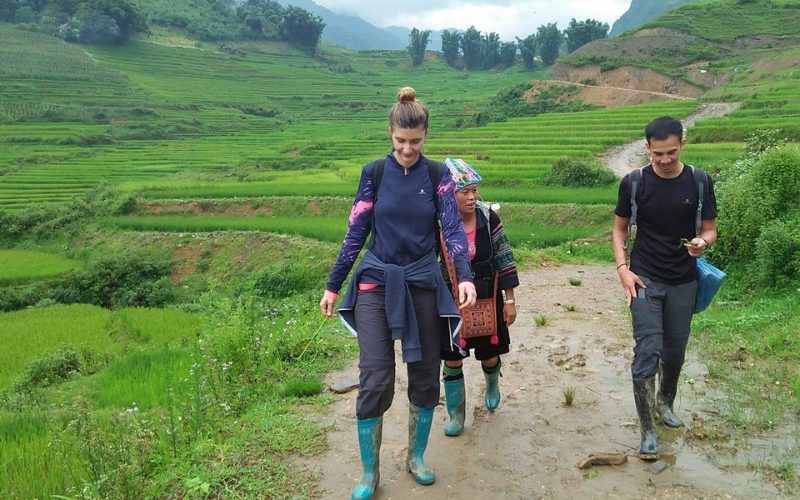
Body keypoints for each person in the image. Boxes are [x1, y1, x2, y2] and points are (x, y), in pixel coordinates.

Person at [319, 87, 477, 499]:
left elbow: (452, 229)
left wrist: (463, 276)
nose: (408, 149)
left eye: (416, 142)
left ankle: (415, 457)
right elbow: (356, 232)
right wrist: (333, 284)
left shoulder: (438, 176)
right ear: (390, 134)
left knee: (425, 375)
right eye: (401, 141)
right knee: (376, 376)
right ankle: (369, 474)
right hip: (376, 281)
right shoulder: (374, 174)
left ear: (426, 136)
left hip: (422, 280)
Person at [611, 116, 717, 458]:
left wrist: (702, 242)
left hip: (684, 280)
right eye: (658, 154)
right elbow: (620, 230)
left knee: (675, 350)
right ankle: (647, 429)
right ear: (648, 148)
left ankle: (665, 402)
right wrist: (623, 269)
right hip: (644, 277)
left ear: (682, 144)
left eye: (671, 152)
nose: (665, 159)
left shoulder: (699, 181)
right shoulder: (634, 183)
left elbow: (710, 228)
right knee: (647, 350)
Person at [439, 158, 520, 437]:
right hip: (451, 300)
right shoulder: (439, 223)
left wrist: (509, 301)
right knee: (452, 358)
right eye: (465, 192)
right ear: (450, 194)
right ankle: (456, 415)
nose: (472, 197)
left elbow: (504, 257)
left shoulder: (488, 218)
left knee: (490, 354)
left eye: (474, 190)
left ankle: (492, 384)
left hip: (487, 294)